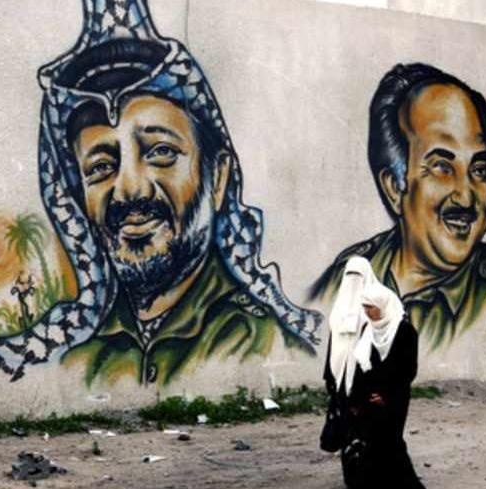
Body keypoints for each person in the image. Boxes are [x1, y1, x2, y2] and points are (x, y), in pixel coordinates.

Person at [34, 0, 322, 387]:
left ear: (217, 178)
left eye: (160, 152)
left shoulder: (259, 343)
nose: (129, 190)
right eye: (101, 167)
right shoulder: (82, 359)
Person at [310, 63, 486, 348]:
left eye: (479, 169)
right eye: (442, 166)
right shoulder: (349, 277)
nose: (466, 198)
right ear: (394, 186)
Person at [323, 257, 423, 488]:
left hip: (387, 396)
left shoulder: (399, 328)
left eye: (357, 276)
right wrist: (332, 379)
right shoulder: (349, 318)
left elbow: (405, 368)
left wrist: (385, 393)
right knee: (355, 438)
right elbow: (338, 350)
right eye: (349, 276)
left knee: (386, 442)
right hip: (349, 387)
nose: (367, 311)